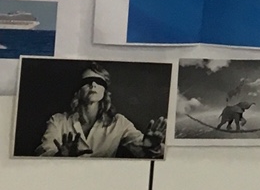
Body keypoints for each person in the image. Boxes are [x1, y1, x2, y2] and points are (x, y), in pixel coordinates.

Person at [35, 64, 166, 158]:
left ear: (104, 91)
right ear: (78, 90)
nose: (93, 85)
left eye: (99, 82)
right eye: (87, 81)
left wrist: (152, 147)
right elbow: (43, 153)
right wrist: (60, 156)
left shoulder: (119, 123)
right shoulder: (58, 121)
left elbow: (142, 150)